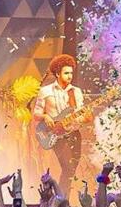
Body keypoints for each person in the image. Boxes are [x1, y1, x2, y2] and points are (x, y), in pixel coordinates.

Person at [31, 55, 90, 184]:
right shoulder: (45, 91)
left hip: (74, 134)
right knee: (68, 168)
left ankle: (63, 200)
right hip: (56, 134)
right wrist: (45, 116)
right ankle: (61, 200)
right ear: (57, 73)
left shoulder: (76, 92)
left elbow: (80, 113)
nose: (70, 76)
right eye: (66, 73)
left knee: (72, 170)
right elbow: (36, 114)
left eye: (71, 73)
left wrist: (85, 117)